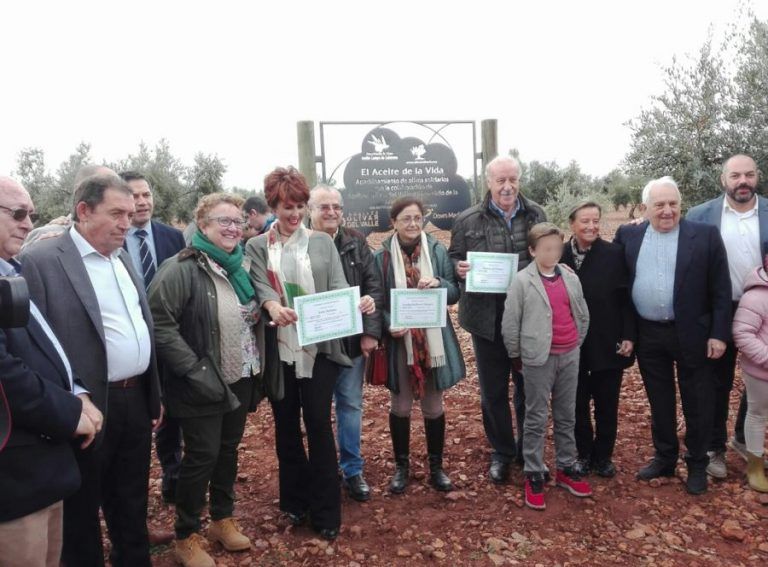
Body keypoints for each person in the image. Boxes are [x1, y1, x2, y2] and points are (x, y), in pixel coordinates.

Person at [20, 174, 162, 566]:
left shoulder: (122, 258)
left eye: (130, 214)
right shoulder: (43, 262)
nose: (127, 223)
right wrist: (68, 406)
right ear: (84, 211)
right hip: (86, 410)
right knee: (81, 514)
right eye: (116, 213)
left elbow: (140, 326)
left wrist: (153, 392)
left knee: (132, 501)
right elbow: (33, 347)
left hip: (135, 401)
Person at [246, 166, 375, 541]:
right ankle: (295, 501)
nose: (294, 213)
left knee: (318, 424)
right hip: (280, 351)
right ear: (273, 204)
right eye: (287, 206)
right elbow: (260, 289)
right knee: (286, 426)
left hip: (318, 350)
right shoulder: (257, 247)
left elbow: (337, 286)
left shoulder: (320, 242)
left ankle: (325, 510)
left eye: (300, 206)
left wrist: (356, 304)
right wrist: (273, 308)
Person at [149, 193, 264, 567]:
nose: (233, 228)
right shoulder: (180, 268)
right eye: (223, 221)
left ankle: (221, 520)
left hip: (240, 374)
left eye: (237, 222)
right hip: (200, 381)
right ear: (203, 226)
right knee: (202, 455)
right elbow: (160, 323)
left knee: (228, 450)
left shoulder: (238, 266)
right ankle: (186, 535)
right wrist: (193, 369)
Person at [0, 176, 100, 567]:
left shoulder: (12, 270)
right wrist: (71, 413)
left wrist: (77, 391)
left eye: (32, 214)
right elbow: (7, 374)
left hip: (42, 466)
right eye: (18, 213)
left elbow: (47, 347)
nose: (28, 223)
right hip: (13, 475)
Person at [614, 176, 731, 495]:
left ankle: (696, 464)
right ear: (646, 208)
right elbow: (617, 280)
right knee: (660, 400)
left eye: (673, 204)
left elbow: (721, 289)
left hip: (693, 333)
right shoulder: (628, 234)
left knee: (698, 400)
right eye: (659, 205)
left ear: (681, 205)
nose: (667, 211)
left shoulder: (705, 236)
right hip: (649, 333)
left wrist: (719, 334)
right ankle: (665, 457)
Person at [448, 155, 546, 483]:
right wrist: (458, 269)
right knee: (492, 391)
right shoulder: (467, 220)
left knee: (527, 386)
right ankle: (502, 451)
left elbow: (546, 253)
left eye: (513, 180)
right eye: (500, 180)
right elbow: (454, 258)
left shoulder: (535, 214)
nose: (507, 187)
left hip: (528, 316)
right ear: (488, 182)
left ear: (520, 180)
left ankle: (527, 450)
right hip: (485, 319)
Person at [374, 197, 465, 494]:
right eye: (406, 219)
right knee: (399, 405)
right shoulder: (382, 256)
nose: (413, 224)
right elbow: (378, 300)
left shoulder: (436, 250)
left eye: (417, 218)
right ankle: (402, 467)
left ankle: (436, 467)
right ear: (394, 223)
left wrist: (438, 282)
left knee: (433, 404)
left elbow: (454, 293)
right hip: (401, 341)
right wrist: (390, 323)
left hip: (432, 339)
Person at [686, 154, 768, 478]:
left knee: (760, 376)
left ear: (757, 177)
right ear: (723, 180)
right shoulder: (699, 215)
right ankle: (714, 448)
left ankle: (742, 437)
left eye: (748, 174)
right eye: (735, 176)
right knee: (716, 382)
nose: (742, 181)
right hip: (718, 310)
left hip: (762, 311)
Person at [501, 222, 591, 510]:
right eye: (546, 249)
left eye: (557, 248)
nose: (552, 253)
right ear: (532, 250)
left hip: (569, 354)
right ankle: (534, 471)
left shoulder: (569, 277)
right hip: (538, 358)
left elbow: (581, 311)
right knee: (536, 416)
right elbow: (511, 323)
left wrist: (576, 341)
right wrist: (517, 355)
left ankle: (566, 466)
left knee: (567, 414)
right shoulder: (522, 281)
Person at [308, 184, 383, 502]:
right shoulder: (300, 244)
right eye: (324, 207)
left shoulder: (355, 241)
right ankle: (322, 471)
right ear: (310, 209)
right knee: (315, 410)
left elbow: (374, 285)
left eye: (336, 206)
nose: (331, 213)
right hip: (313, 345)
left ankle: (352, 470)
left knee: (350, 405)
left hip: (351, 343)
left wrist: (370, 330)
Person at [120, 170, 186, 506]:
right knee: (146, 411)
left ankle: (173, 474)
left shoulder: (173, 237)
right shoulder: (113, 242)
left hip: (171, 336)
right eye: (134, 196)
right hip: (131, 343)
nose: (142, 201)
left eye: (146, 194)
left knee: (172, 409)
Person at [561, 201, 636, 477]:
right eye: (585, 221)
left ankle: (603, 456)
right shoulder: (558, 255)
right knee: (576, 404)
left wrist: (629, 335)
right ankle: (583, 453)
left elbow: (626, 298)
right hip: (570, 346)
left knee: (607, 404)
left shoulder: (614, 254)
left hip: (608, 342)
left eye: (596, 221)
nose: (591, 226)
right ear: (572, 224)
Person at [732, 259, 768, 492]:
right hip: (762, 372)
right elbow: (742, 333)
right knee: (757, 414)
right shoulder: (756, 297)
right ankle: (755, 467)